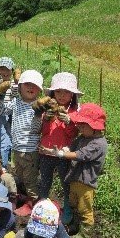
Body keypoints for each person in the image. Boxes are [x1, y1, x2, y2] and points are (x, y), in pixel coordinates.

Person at [51, 103, 108, 238]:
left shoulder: (98, 144)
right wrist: (66, 148)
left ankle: (85, 236)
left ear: (94, 127)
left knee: (85, 209)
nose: (80, 128)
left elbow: (82, 155)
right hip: (76, 179)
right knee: (74, 204)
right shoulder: (83, 138)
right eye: (80, 124)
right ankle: (75, 227)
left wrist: (63, 154)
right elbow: (74, 147)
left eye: (83, 125)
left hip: (85, 183)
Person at [0, 70, 43, 217]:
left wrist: (38, 114)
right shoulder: (16, 103)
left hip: (31, 150)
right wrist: (0, 95)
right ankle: (26, 197)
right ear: (20, 86)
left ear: (39, 90)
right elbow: (1, 111)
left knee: (30, 179)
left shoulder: (39, 107)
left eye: (34, 86)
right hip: (17, 148)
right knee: (21, 174)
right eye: (27, 84)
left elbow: (37, 129)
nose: (30, 88)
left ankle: (33, 203)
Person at [38, 72, 82, 224]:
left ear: (72, 95)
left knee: (65, 182)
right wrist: (46, 120)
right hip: (46, 152)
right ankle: (42, 204)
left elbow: (74, 134)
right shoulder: (47, 110)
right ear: (52, 93)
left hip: (64, 154)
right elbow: (42, 132)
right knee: (45, 180)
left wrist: (70, 122)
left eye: (66, 92)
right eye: (58, 92)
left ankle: (67, 208)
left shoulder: (74, 112)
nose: (62, 96)